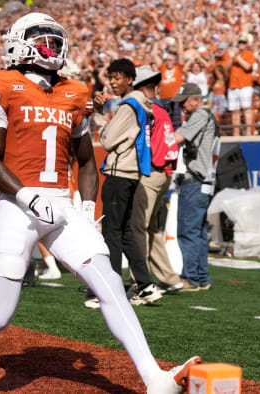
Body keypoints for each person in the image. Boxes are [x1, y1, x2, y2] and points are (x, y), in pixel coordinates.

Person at [0, 13, 200, 394]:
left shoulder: (76, 91)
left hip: (62, 205)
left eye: (57, 41)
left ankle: (155, 377)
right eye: (44, 40)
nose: (52, 48)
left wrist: (87, 210)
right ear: (20, 43)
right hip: (14, 202)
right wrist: (27, 195)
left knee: (110, 286)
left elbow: (87, 161)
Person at [93, 58, 164, 307]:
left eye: (118, 77)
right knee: (125, 233)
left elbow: (108, 140)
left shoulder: (128, 104)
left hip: (119, 171)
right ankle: (144, 285)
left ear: (130, 79)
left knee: (112, 232)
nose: (113, 82)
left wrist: (98, 114)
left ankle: (111, 289)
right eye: (111, 77)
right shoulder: (142, 104)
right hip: (132, 173)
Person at [129, 65, 184, 294]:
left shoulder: (146, 109)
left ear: (140, 87)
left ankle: (139, 282)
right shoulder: (161, 110)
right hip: (164, 174)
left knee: (137, 229)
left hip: (150, 173)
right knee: (151, 229)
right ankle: (169, 278)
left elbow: (142, 143)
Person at [171, 82, 219, 292]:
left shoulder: (200, 114)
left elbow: (177, 139)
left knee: (187, 232)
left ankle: (190, 278)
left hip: (195, 180)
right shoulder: (208, 115)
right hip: (206, 181)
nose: (180, 107)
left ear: (194, 100)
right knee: (198, 233)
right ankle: (201, 278)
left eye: (183, 102)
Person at [226, 33, 256, 136]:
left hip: (245, 85)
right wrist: (231, 57)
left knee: (247, 109)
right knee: (235, 111)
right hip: (233, 86)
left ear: (247, 44)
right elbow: (226, 69)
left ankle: (248, 132)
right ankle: (236, 133)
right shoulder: (233, 55)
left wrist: (237, 56)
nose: (241, 44)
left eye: (243, 42)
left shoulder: (249, 54)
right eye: (240, 42)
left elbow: (248, 67)